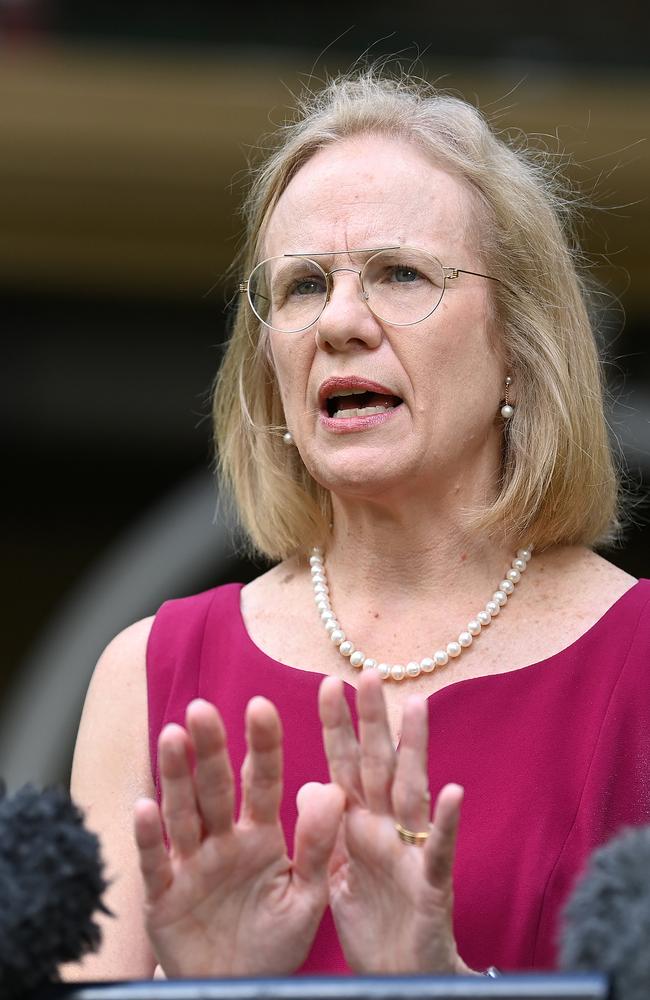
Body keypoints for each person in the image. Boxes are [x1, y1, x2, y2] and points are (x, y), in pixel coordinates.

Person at [67, 68, 650, 981]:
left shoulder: (640, 663)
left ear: (517, 349)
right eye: (301, 286)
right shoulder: (143, 678)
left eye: (399, 273)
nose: (339, 321)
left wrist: (436, 984)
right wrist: (212, 991)